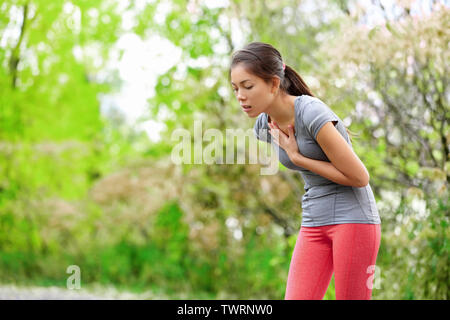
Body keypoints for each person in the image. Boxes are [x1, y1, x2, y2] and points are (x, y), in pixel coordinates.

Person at [229, 42, 381, 300]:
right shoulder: (263, 126)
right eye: (235, 89)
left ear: (274, 84)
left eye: (248, 86)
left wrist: (298, 157)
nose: (240, 96)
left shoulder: (310, 112)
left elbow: (359, 177)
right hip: (313, 220)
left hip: (353, 218)